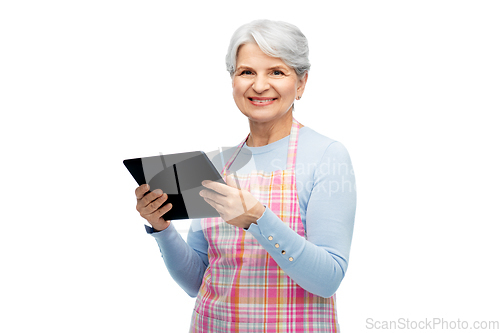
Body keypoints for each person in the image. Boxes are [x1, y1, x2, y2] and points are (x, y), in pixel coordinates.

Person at [134, 19, 356, 332]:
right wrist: (162, 228)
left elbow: (327, 280)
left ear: (302, 83)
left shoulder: (327, 155)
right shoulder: (218, 163)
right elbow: (197, 281)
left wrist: (258, 219)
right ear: (233, 80)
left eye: (276, 72)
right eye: (247, 72)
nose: (260, 85)